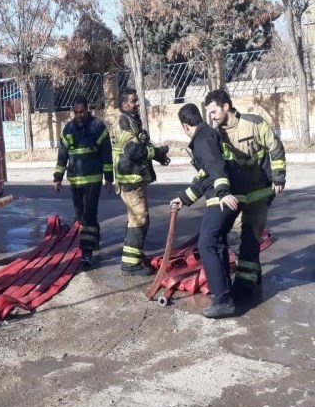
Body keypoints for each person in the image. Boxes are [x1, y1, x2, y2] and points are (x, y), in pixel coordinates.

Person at [205, 89, 286, 301]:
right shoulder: (216, 134)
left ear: (226, 106)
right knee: (235, 237)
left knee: (250, 237)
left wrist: (279, 177)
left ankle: (245, 285)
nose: (212, 117)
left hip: (259, 192)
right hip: (237, 195)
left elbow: (275, 148)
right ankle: (252, 274)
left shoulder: (254, 123)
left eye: (214, 111)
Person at [170, 104, 242, 318]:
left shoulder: (202, 139)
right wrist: (183, 199)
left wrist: (222, 192)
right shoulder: (206, 136)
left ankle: (222, 299)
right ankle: (225, 294)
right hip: (221, 198)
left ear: (185, 125)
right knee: (216, 243)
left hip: (221, 199)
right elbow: (204, 176)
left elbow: (215, 164)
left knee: (207, 243)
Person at [110, 88, 171, 276]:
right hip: (130, 181)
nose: (137, 103)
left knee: (137, 219)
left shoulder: (131, 121)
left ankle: (134, 258)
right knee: (139, 220)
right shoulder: (123, 122)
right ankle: (131, 265)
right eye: (134, 101)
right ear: (124, 104)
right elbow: (133, 151)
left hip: (135, 179)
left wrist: (159, 156)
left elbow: (142, 145)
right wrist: (157, 153)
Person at [53, 95, 113, 267]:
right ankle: (94, 239)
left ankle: (87, 252)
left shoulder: (97, 126)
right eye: (76, 112)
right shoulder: (68, 129)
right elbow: (62, 155)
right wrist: (57, 178)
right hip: (75, 181)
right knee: (80, 216)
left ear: (88, 109)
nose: (79, 115)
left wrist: (109, 178)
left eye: (82, 111)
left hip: (93, 180)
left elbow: (106, 154)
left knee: (89, 215)